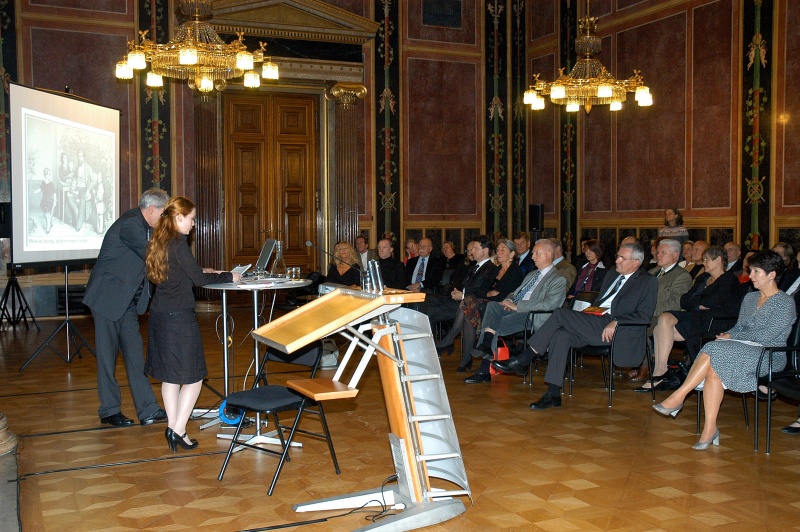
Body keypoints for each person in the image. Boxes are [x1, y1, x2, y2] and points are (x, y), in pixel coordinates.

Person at [653, 250, 795, 450]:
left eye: (756, 272)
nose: (751, 276)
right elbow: (739, 328)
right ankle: (709, 429)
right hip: (743, 349)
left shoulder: (784, 302)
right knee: (714, 368)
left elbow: (768, 336)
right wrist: (728, 334)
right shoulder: (750, 298)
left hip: (768, 354)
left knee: (713, 349)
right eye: (751, 271)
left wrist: (733, 337)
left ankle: (679, 395)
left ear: (771, 275)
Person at [492, 242, 658, 410]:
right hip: (595, 320)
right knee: (561, 334)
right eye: (617, 256)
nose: (617, 260)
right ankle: (553, 393)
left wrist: (618, 321)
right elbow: (601, 302)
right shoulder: (612, 274)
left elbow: (644, 315)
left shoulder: (647, 281)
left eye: (623, 258)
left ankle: (524, 358)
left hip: (618, 328)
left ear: (636, 262)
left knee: (560, 313)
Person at [144, 197, 241, 451]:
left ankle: (174, 428)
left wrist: (204, 272)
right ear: (178, 218)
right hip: (179, 320)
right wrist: (230, 276)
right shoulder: (177, 244)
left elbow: (181, 273)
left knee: (170, 377)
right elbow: (197, 279)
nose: (194, 224)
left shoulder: (159, 241)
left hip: (159, 317)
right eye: (191, 219)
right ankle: (177, 429)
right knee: (194, 377)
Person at [82, 188, 170, 427]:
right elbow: (152, 255)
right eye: (163, 214)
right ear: (151, 210)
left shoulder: (146, 227)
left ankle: (148, 409)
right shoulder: (131, 223)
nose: (165, 220)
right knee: (107, 358)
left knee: (134, 355)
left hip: (126, 302)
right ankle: (109, 410)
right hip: (106, 299)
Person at [463, 239, 566, 382]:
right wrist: (510, 300)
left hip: (531, 316)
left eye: (536, 253)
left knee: (494, 326)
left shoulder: (558, 279)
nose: (532, 256)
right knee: (493, 306)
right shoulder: (532, 275)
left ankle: (484, 368)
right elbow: (515, 292)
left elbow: (549, 304)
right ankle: (486, 346)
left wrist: (519, 306)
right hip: (516, 310)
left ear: (548, 254)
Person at [435, 238, 524, 369]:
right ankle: (465, 359)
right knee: (467, 310)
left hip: (499, 306)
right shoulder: (496, 269)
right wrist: (489, 292)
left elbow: (502, 295)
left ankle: (451, 341)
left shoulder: (515, 271)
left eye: (503, 250)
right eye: (498, 249)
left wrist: (489, 293)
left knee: (468, 303)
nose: (499, 252)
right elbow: (486, 290)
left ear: (512, 254)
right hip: (482, 302)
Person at [418, 235, 498, 331]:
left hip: (467, 304)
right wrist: (455, 291)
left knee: (428, 310)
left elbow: (483, 290)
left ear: (485, 251)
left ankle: (431, 341)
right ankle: (430, 340)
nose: (472, 252)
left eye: (475, 249)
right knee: (426, 299)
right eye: (471, 249)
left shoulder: (491, 268)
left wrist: (463, 294)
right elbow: (461, 282)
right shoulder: (473, 267)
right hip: (457, 299)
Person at [35, 168, 56, 234]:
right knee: (45, 214)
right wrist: (35, 192)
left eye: (50, 174)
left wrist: (55, 201)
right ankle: (50, 222)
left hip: (50, 201)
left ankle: (48, 227)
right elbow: (40, 189)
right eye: (48, 175)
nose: (49, 176)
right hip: (44, 201)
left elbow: (54, 193)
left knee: (47, 215)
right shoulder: (43, 183)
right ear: (45, 175)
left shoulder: (52, 184)